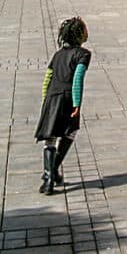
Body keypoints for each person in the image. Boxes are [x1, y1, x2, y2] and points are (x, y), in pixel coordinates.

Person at [35, 16, 91, 194]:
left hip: (52, 96)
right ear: (80, 35)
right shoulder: (83, 54)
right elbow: (77, 79)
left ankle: (49, 178)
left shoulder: (57, 54)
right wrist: (77, 103)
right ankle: (51, 173)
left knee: (50, 137)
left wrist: (46, 101)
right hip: (67, 97)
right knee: (71, 131)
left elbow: (47, 78)